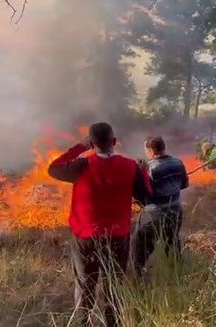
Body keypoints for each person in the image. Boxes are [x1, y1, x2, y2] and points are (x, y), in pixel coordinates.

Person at [48, 122, 150, 327]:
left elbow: (53, 169)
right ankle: (113, 323)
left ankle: (83, 322)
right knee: (114, 284)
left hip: (84, 236)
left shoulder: (81, 165)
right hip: (118, 236)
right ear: (114, 142)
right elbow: (145, 199)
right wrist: (144, 172)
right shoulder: (131, 166)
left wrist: (80, 147)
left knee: (85, 284)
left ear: (92, 144)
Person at [133, 136, 188, 276]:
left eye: (146, 150)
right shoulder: (177, 162)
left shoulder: (149, 168)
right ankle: (177, 273)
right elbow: (184, 185)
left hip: (154, 214)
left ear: (151, 151)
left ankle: (138, 274)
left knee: (142, 244)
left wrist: (140, 172)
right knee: (172, 241)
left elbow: (141, 196)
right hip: (176, 210)